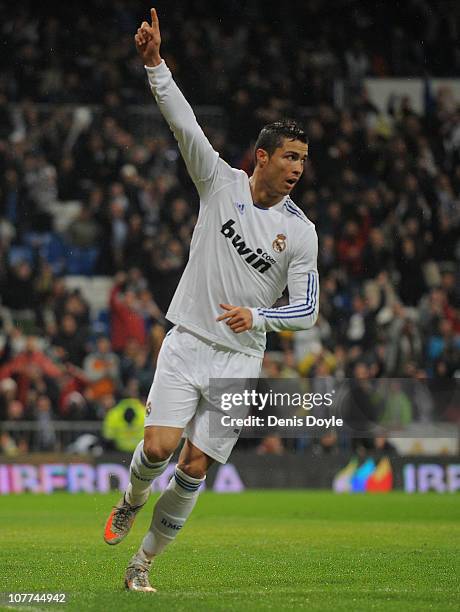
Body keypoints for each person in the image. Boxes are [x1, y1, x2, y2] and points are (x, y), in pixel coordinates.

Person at [103, 8, 319, 593]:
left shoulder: (301, 233)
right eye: (290, 157)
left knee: (195, 467)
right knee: (158, 448)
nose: (299, 168)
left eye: (304, 159)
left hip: (240, 359)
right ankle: (131, 498)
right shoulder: (218, 183)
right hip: (189, 340)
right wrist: (154, 66)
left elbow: (307, 311)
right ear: (262, 158)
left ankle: (141, 566)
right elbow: (185, 125)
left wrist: (261, 315)